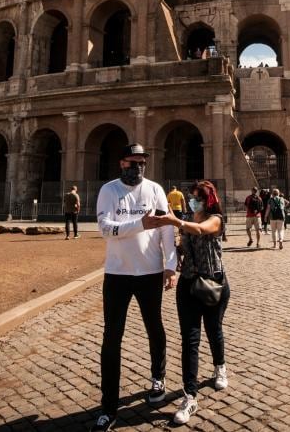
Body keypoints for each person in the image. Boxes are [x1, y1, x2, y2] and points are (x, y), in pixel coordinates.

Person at [91, 144, 177, 432]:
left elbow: (166, 228)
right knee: (111, 336)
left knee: (155, 327)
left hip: (150, 271)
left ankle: (158, 378)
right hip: (117, 273)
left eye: (142, 163)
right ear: (121, 163)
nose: (138, 167)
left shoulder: (155, 189)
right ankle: (108, 406)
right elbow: (105, 228)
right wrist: (140, 224)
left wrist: (171, 265)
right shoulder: (109, 190)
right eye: (133, 162)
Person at [144, 180, 230, 426]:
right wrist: (175, 253)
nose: (193, 202)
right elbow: (185, 244)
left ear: (208, 200)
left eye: (197, 198)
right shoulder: (189, 220)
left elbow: (202, 230)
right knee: (189, 340)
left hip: (213, 284)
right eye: (191, 197)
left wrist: (177, 222)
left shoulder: (216, 219)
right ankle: (190, 395)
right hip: (189, 285)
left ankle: (220, 367)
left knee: (214, 331)